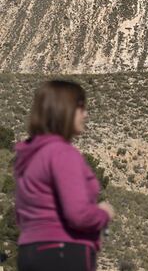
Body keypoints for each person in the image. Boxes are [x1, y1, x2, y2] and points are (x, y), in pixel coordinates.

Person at [14, 80, 114, 271]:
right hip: (63, 252)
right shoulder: (62, 153)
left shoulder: (29, 155)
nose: (86, 114)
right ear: (64, 110)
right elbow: (78, 215)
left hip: (29, 252)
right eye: (81, 107)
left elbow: (21, 215)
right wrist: (104, 213)